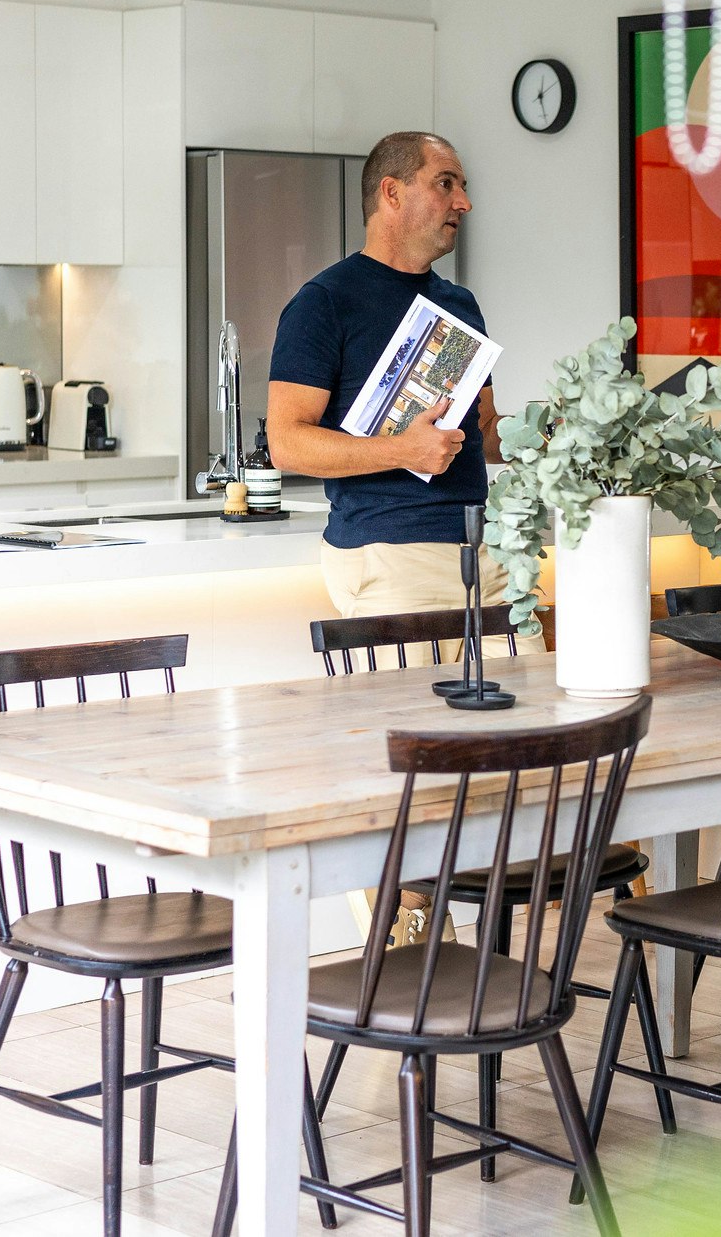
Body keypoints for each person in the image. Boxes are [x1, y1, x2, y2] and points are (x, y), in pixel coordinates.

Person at [267, 130, 537, 944]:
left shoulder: (460, 306)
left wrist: (556, 435)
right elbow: (287, 442)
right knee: (419, 772)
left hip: (478, 550)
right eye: (445, 183)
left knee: (508, 757)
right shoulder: (325, 302)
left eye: (461, 187)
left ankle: (445, 932)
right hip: (389, 552)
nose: (462, 202)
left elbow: (482, 436)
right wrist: (399, 450)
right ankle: (402, 924)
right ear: (391, 193)